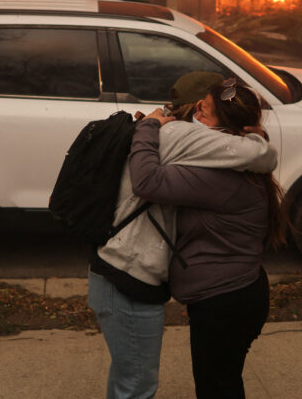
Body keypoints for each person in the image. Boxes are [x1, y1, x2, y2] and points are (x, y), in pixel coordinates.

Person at [88, 72, 277, 399]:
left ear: (225, 128)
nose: (196, 118)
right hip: (237, 294)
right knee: (222, 381)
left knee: (216, 386)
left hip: (224, 302)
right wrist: (260, 143)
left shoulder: (220, 176)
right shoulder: (238, 163)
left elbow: (147, 181)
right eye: (199, 108)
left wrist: (149, 126)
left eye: (206, 111)